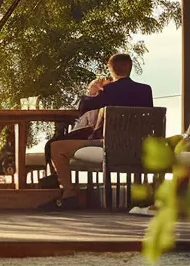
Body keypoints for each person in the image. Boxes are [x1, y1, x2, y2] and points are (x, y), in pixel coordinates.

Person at [45, 53, 154, 209]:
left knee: (56, 147)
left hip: (109, 144)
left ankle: (69, 194)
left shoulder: (108, 91)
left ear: (111, 69)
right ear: (130, 67)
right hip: (139, 146)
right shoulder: (145, 90)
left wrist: (91, 92)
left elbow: (83, 108)